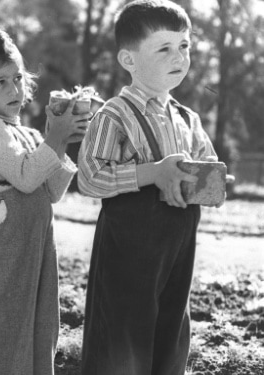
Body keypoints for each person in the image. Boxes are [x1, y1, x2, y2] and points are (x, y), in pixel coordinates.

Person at [77, 1, 226, 374]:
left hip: (177, 247)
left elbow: (207, 166)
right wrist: (153, 173)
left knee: (171, 328)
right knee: (124, 337)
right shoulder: (114, 114)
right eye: (164, 48)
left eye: (184, 46)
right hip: (129, 252)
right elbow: (90, 178)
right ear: (129, 60)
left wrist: (214, 182)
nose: (179, 56)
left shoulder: (188, 119)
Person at [0, 30, 89, 375]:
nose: (14, 89)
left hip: (38, 239)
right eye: (0, 82)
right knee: (5, 320)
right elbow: (26, 178)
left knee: (42, 319)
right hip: (5, 239)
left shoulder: (27, 133)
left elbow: (51, 191)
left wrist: (63, 142)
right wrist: (54, 137)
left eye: (17, 78)